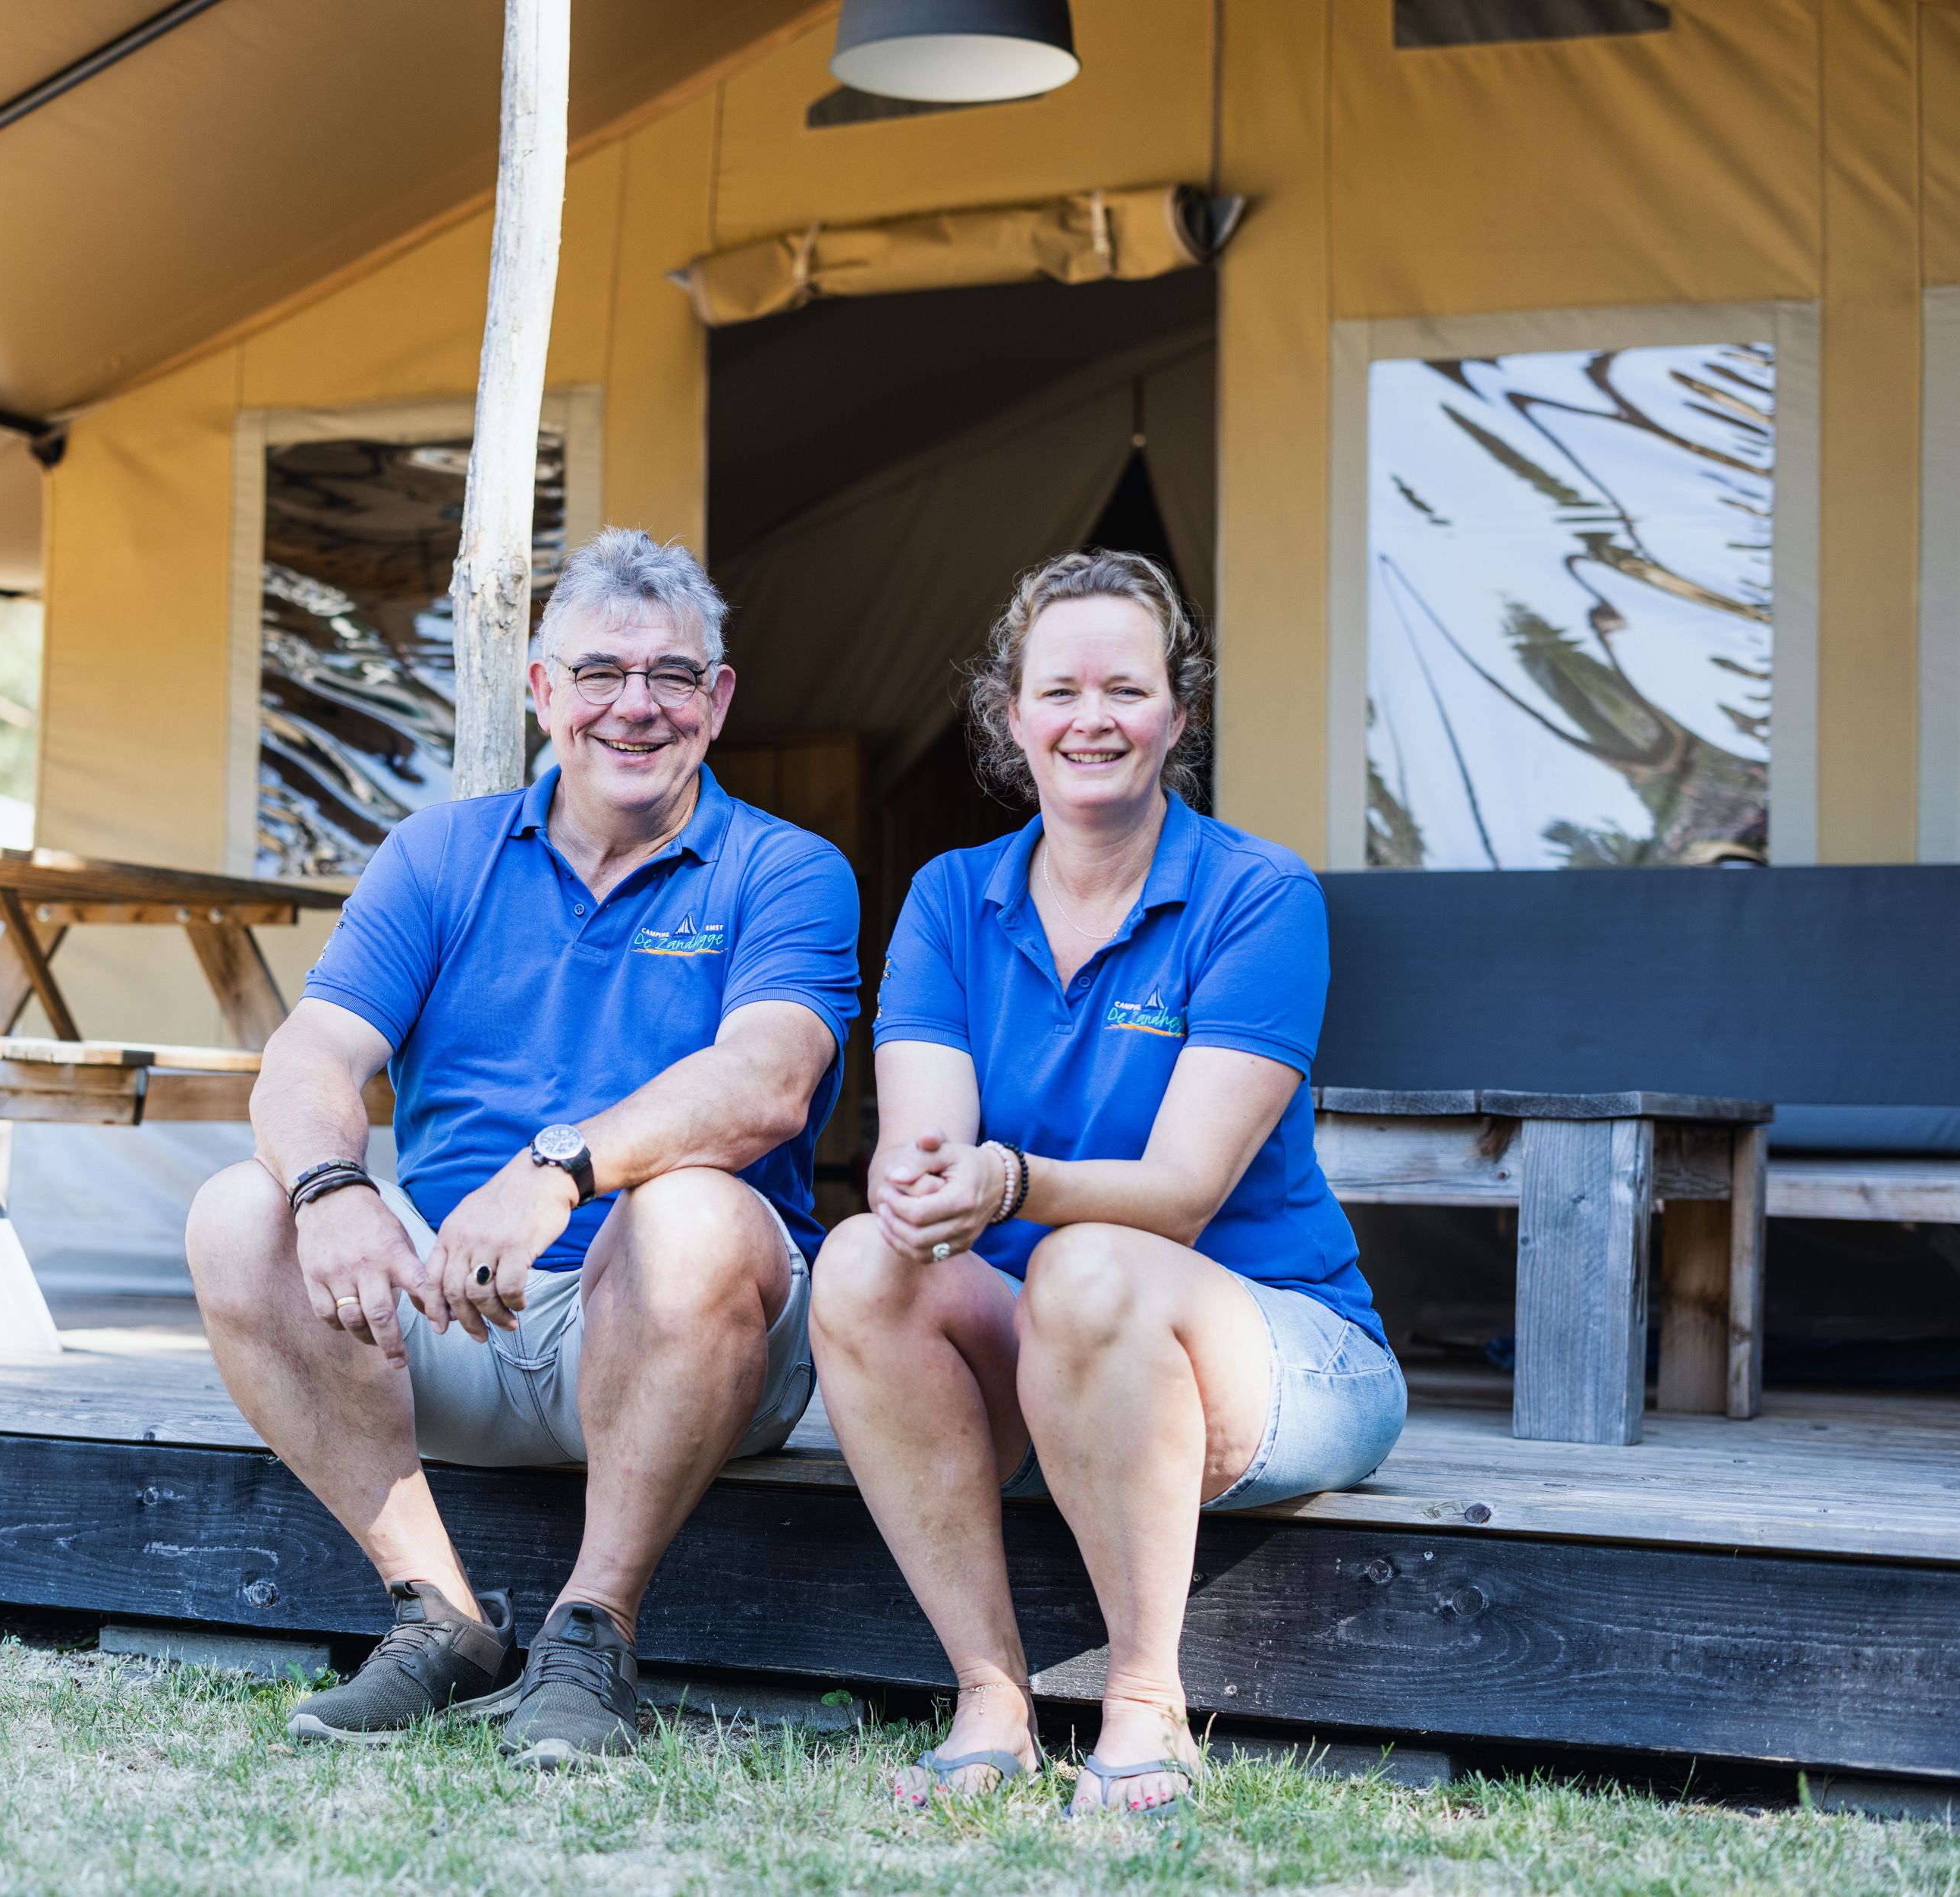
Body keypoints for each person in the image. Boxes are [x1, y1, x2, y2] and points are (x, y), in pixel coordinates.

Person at [186, 527, 858, 1768]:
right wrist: (334, 1186)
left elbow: (766, 1082)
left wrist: (556, 1173)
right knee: (241, 1210)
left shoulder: (788, 869)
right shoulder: (440, 854)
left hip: (684, 1334)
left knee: (692, 1213)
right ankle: (437, 1618)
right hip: (457, 1314)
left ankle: (591, 1635)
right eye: (599, 672)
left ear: (716, 701)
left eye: (671, 676)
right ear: (543, 691)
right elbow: (311, 1058)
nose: (634, 707)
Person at [810, 549, 1402, 1818]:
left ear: (1178, 717)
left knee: (1089, 1260)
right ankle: (991, 1696)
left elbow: (1183, 1194)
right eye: (1060, 691)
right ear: (1010, 715)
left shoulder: (1258, 895)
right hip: (1058, 1350)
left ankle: (1145, 1709)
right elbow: (923, 1165)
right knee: (861, 1258)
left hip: (1285, 1344)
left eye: (1127, 691)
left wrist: (1009, 1182)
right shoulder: (948, 898)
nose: (1092, 720)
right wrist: (926, 1191)